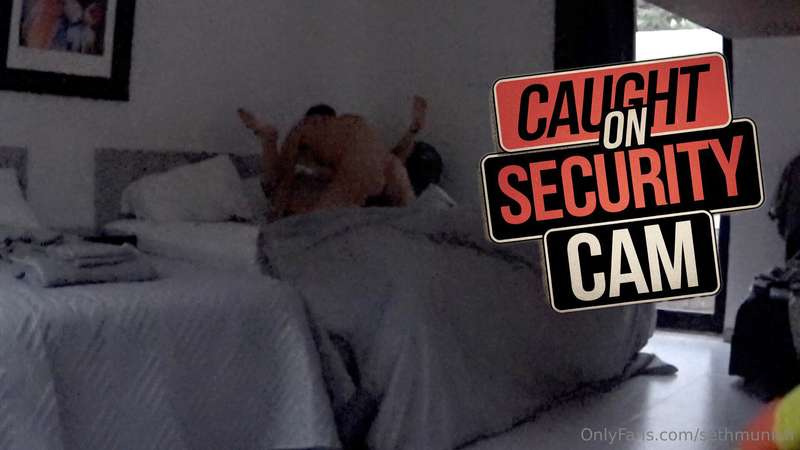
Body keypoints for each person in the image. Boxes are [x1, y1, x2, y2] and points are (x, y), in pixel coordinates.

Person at [238, 96, 427, 220]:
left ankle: (268, 140)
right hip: (386, 170)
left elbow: (281, 180)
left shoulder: (306, 132)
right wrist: (412, 132)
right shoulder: (351, 132)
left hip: (356, 180)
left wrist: (273, 216)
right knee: (410, 214)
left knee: (317, 222)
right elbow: (389, 160)